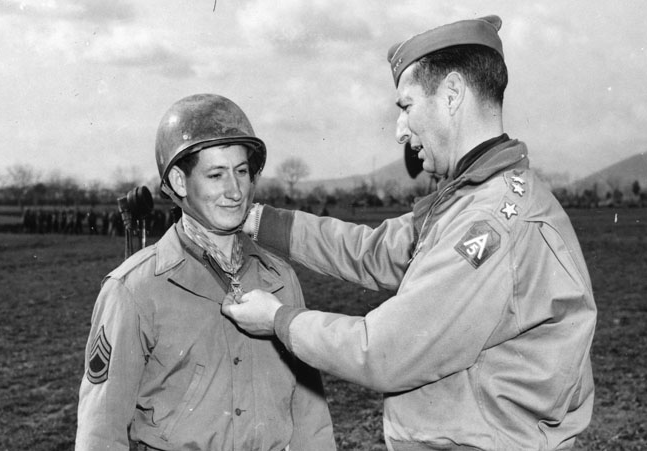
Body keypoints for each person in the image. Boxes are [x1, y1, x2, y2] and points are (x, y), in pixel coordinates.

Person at [222, 16, 597, 451]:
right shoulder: (469, 198)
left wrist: (279, 320)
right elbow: (374, 252)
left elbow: (384, 350)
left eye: (406, 106)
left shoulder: (489, 223)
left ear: (452, 94)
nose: (400, 130)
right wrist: (258, 220)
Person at [75, 94, 336, 451]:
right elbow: (100, 434)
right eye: (216, 175)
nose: (234, 190)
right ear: (180, 183)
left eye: (241, 171)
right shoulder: (134, 289)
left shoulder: (280, 278)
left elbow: (311, 419)